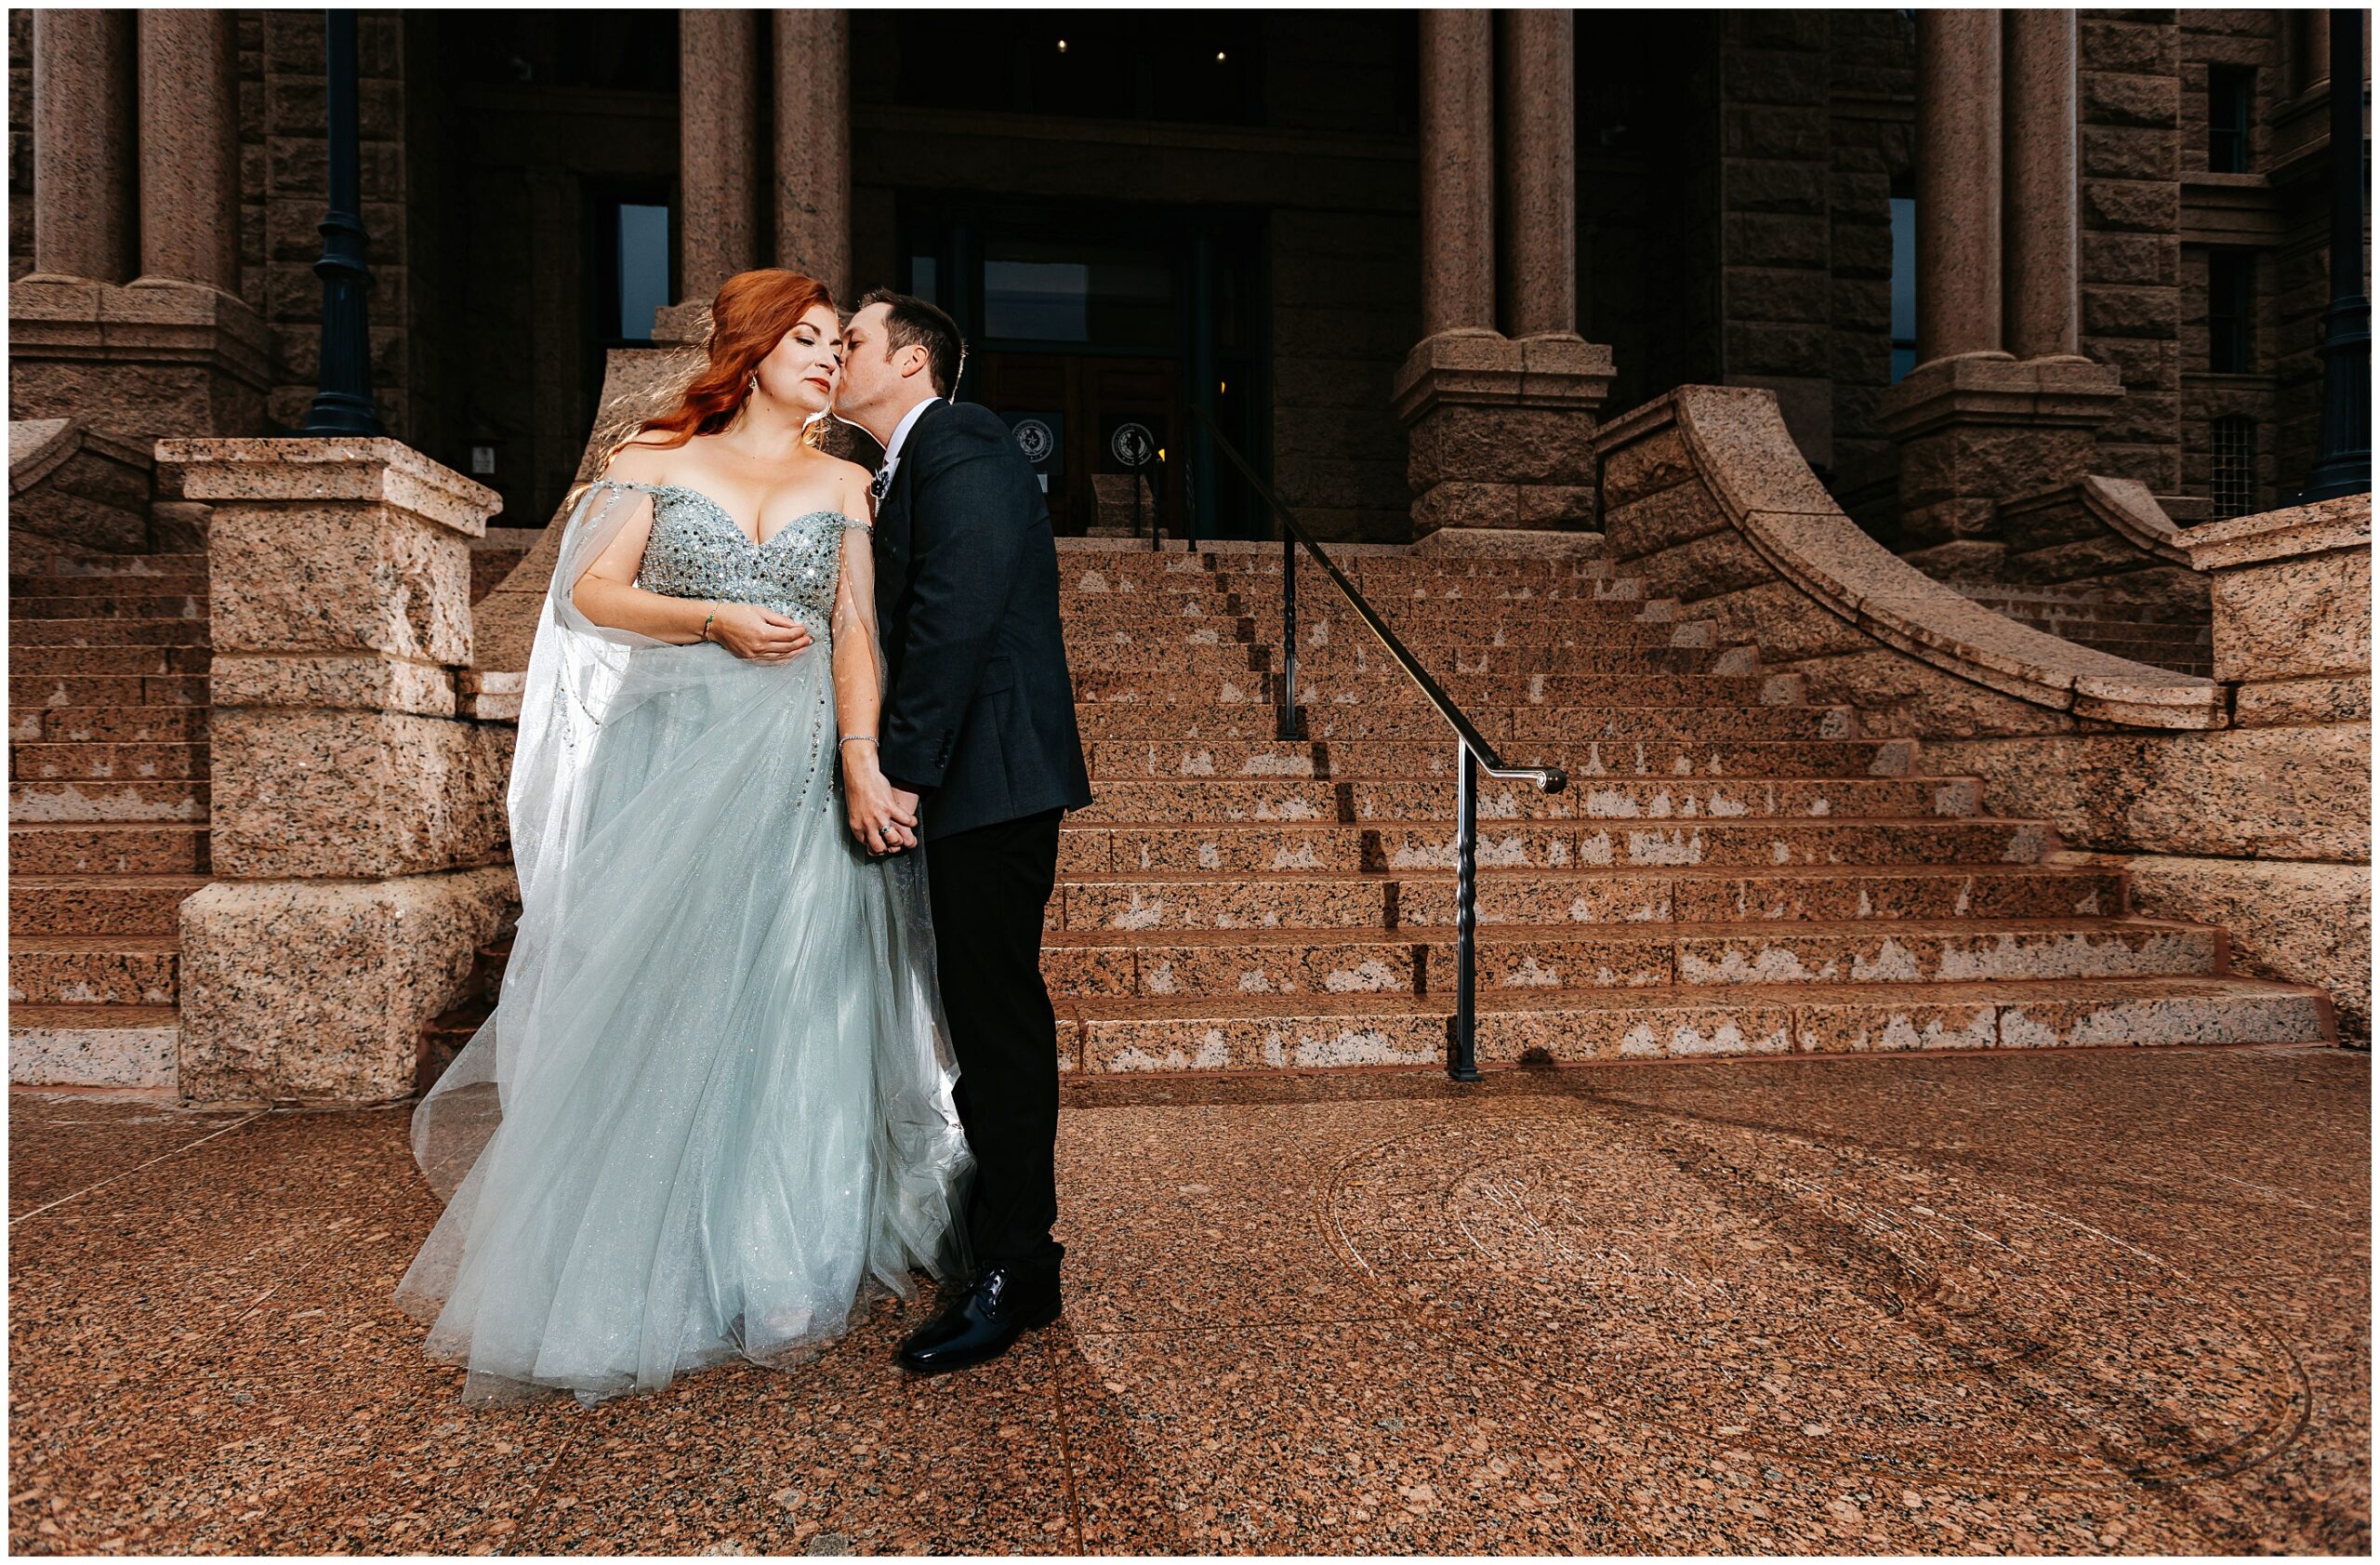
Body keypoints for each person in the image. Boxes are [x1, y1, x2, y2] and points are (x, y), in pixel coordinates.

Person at [393, 269, 972, 1404]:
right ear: (752, 348)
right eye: (803, 337)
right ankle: (636, 1261)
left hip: (805, 764)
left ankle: (782, 1252)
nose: (823, 354)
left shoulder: (843, 480)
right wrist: (708, 615)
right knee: (669, 989)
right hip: (676, 765)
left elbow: (857, 630)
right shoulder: (654, 460)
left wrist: (864, 761)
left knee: (801, 996)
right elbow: (585, 597)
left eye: (832, 339)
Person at [833, 290, 1093, 1374]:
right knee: (975, 1017)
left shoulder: (966, 443)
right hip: (968, 781)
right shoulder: (904, 466)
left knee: (995, 1020)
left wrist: (900, 769)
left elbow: (954, 614)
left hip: (987, 783)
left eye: (851, 341)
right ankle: (996, 1235)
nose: (838, 356)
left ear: (909, 360)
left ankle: (1018, 1267)